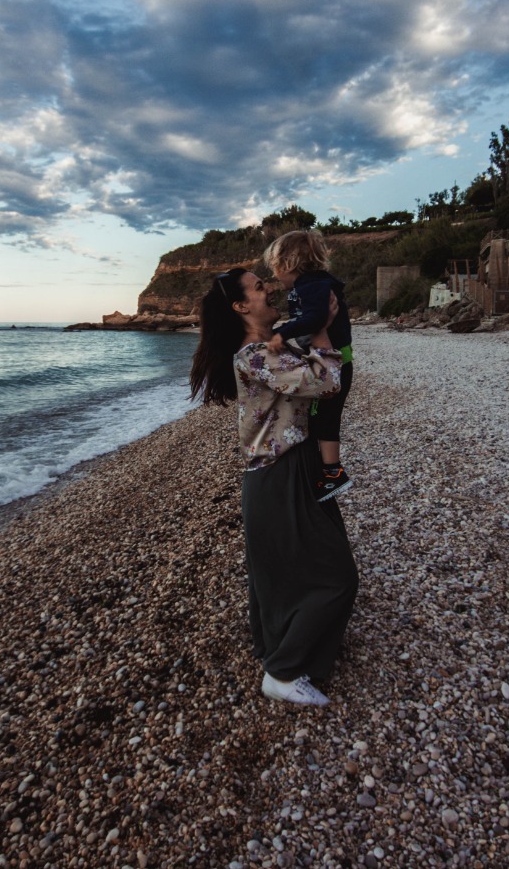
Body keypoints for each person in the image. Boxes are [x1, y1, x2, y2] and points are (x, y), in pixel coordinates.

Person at [189, 267, 358, 707]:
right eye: (258, 286)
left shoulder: (270, 349)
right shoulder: (255, 356)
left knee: (282, 575)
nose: (269, 288)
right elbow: (327, 382)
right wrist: (322, 331)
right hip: (279, 473)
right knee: (335, 575)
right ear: (241, 306)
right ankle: (282, 674)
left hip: (287, 469)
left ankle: (282, 654)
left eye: (266, 282)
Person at [262, 230, 354, 501]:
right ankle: (329, 469)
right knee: (324, 416)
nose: (275, 278)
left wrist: (282, 333)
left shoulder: (310, 286)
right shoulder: (314, 284)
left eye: (275, 269)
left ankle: (333, 472)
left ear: (288, 264)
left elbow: (314, 320)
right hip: (338, 357)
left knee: (324, 417)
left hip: (336, 361)